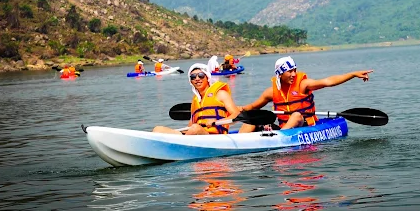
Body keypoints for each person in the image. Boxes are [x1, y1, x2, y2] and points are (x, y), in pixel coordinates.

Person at [238, 56, 373, 132]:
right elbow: (251, 106)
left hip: (304, 126)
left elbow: (328, 82)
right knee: (252, 117)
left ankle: (279, 135)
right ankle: (237, 141)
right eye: (289, 71)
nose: (293, 74)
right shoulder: (271, 92)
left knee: (296, 115)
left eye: (294, 70)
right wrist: (238, 110)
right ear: (280, 74)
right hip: (284, 128)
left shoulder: (303, 84)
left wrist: (352, 74)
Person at [153, 63, 242, 135]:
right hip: (195, 135)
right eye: (193, 77)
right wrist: (179, 133)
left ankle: (181, 145)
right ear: (190, 81)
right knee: (158, 129)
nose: (197, 79)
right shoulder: (195, 101)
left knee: (195, 128)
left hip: (215, 136)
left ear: (207, 77)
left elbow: (236, 115)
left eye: (201, 75)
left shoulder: (221, 94)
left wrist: (218, 121)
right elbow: (191, 125)